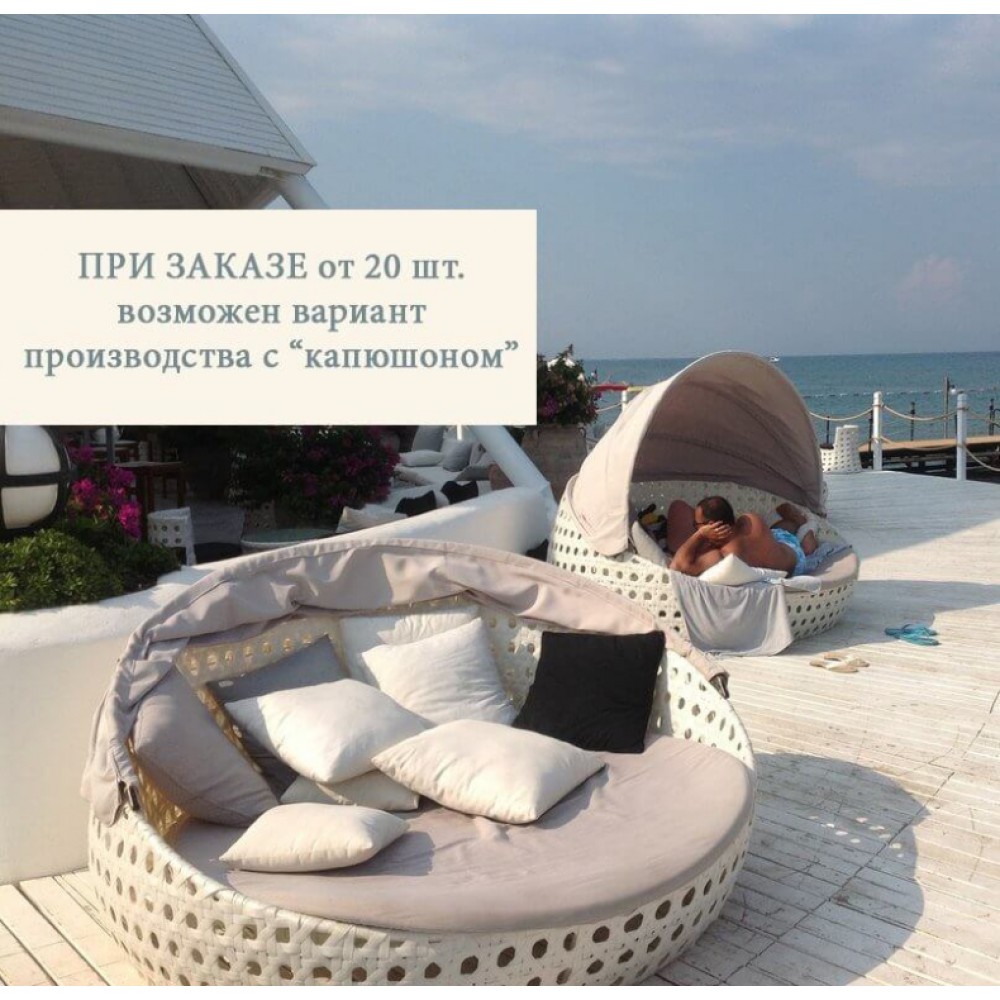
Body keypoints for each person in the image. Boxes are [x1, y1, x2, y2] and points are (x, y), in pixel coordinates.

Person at [666, 495, 818, 578]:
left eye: (697, 524)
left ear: (711, 525)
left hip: (794, 561)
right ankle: (798, 523)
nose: (696, 527)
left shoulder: (724, 556)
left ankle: (805, 528)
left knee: (783, 533)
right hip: (794, 558)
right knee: (779, 531)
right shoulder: (749, 520)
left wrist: (699, 535)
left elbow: (676, 567)